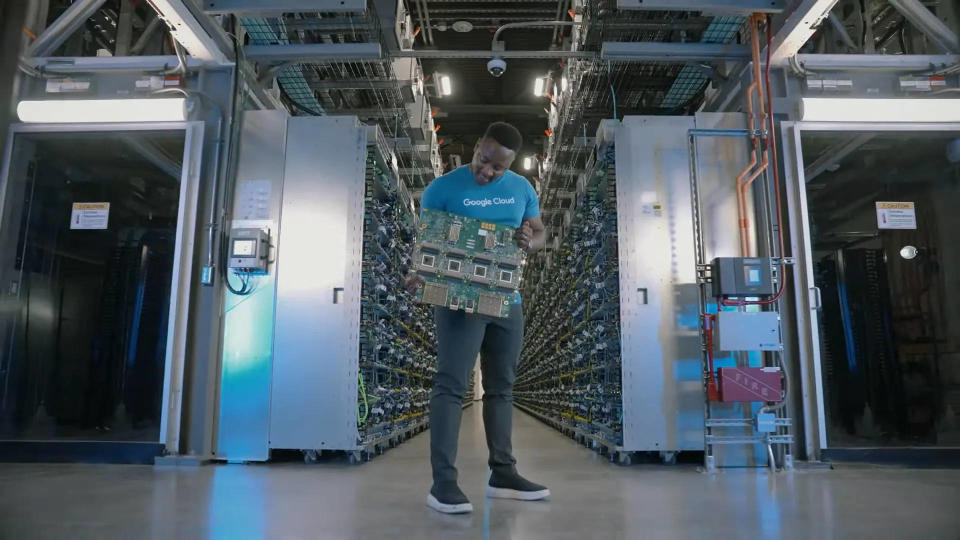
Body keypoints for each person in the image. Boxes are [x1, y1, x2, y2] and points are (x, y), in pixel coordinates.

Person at [406, 122, 549, 514]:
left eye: (496, 169)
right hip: (458, 296)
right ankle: (443, 484)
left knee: (502, 387)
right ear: (477, 146)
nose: (486, 172)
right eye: (482, 160)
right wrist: (419, 272)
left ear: (510, 165)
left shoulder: (522, 189)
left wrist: (529, 241)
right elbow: (428, 242)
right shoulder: (442, 189)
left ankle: (503, 472)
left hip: (507, 298)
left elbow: (539, 233)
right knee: (452, 385)